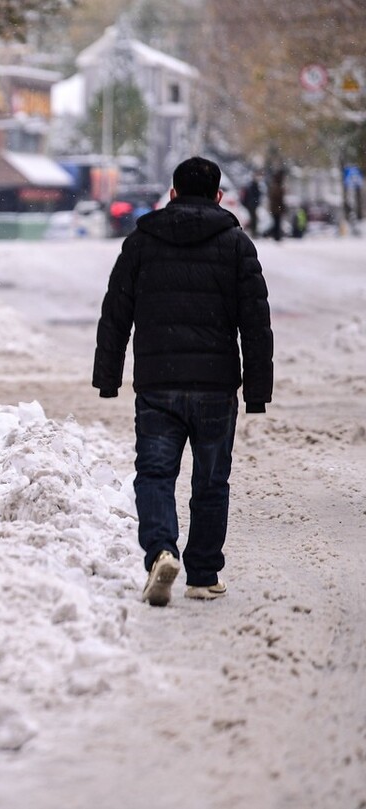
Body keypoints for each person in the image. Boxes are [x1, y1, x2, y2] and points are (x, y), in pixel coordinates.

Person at [93, 156, 273, 608]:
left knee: (155, 474)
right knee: (211, 482)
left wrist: (108, 376)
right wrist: (256, 391)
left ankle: (160, 551)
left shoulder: (142, 240)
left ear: (171, 193)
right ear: (218, 196)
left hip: (157, 384)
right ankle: (204, 575)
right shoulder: (236, 244)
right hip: (215, 386)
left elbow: (116, 312)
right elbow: (256, 322)